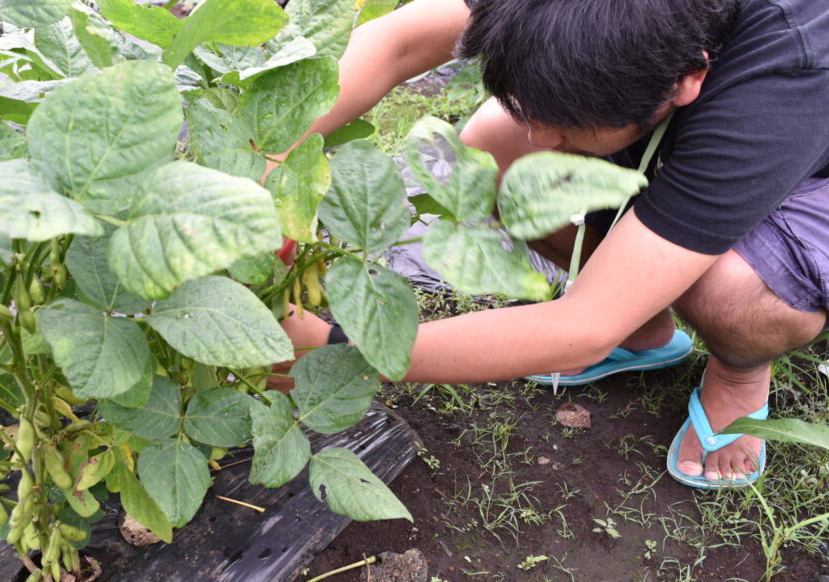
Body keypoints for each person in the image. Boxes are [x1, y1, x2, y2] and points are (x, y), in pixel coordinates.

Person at [277, 0, 829, 488]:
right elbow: (396, 41)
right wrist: (269, 170)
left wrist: (339, 353)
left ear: (688, 78)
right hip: (687, 107)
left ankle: (739, 373)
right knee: (486, 152)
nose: (540, 140)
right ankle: (642, 325)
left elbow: (583, 327)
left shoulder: (784, 74)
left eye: (568, 123)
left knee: (730, 291)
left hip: (809, 165)